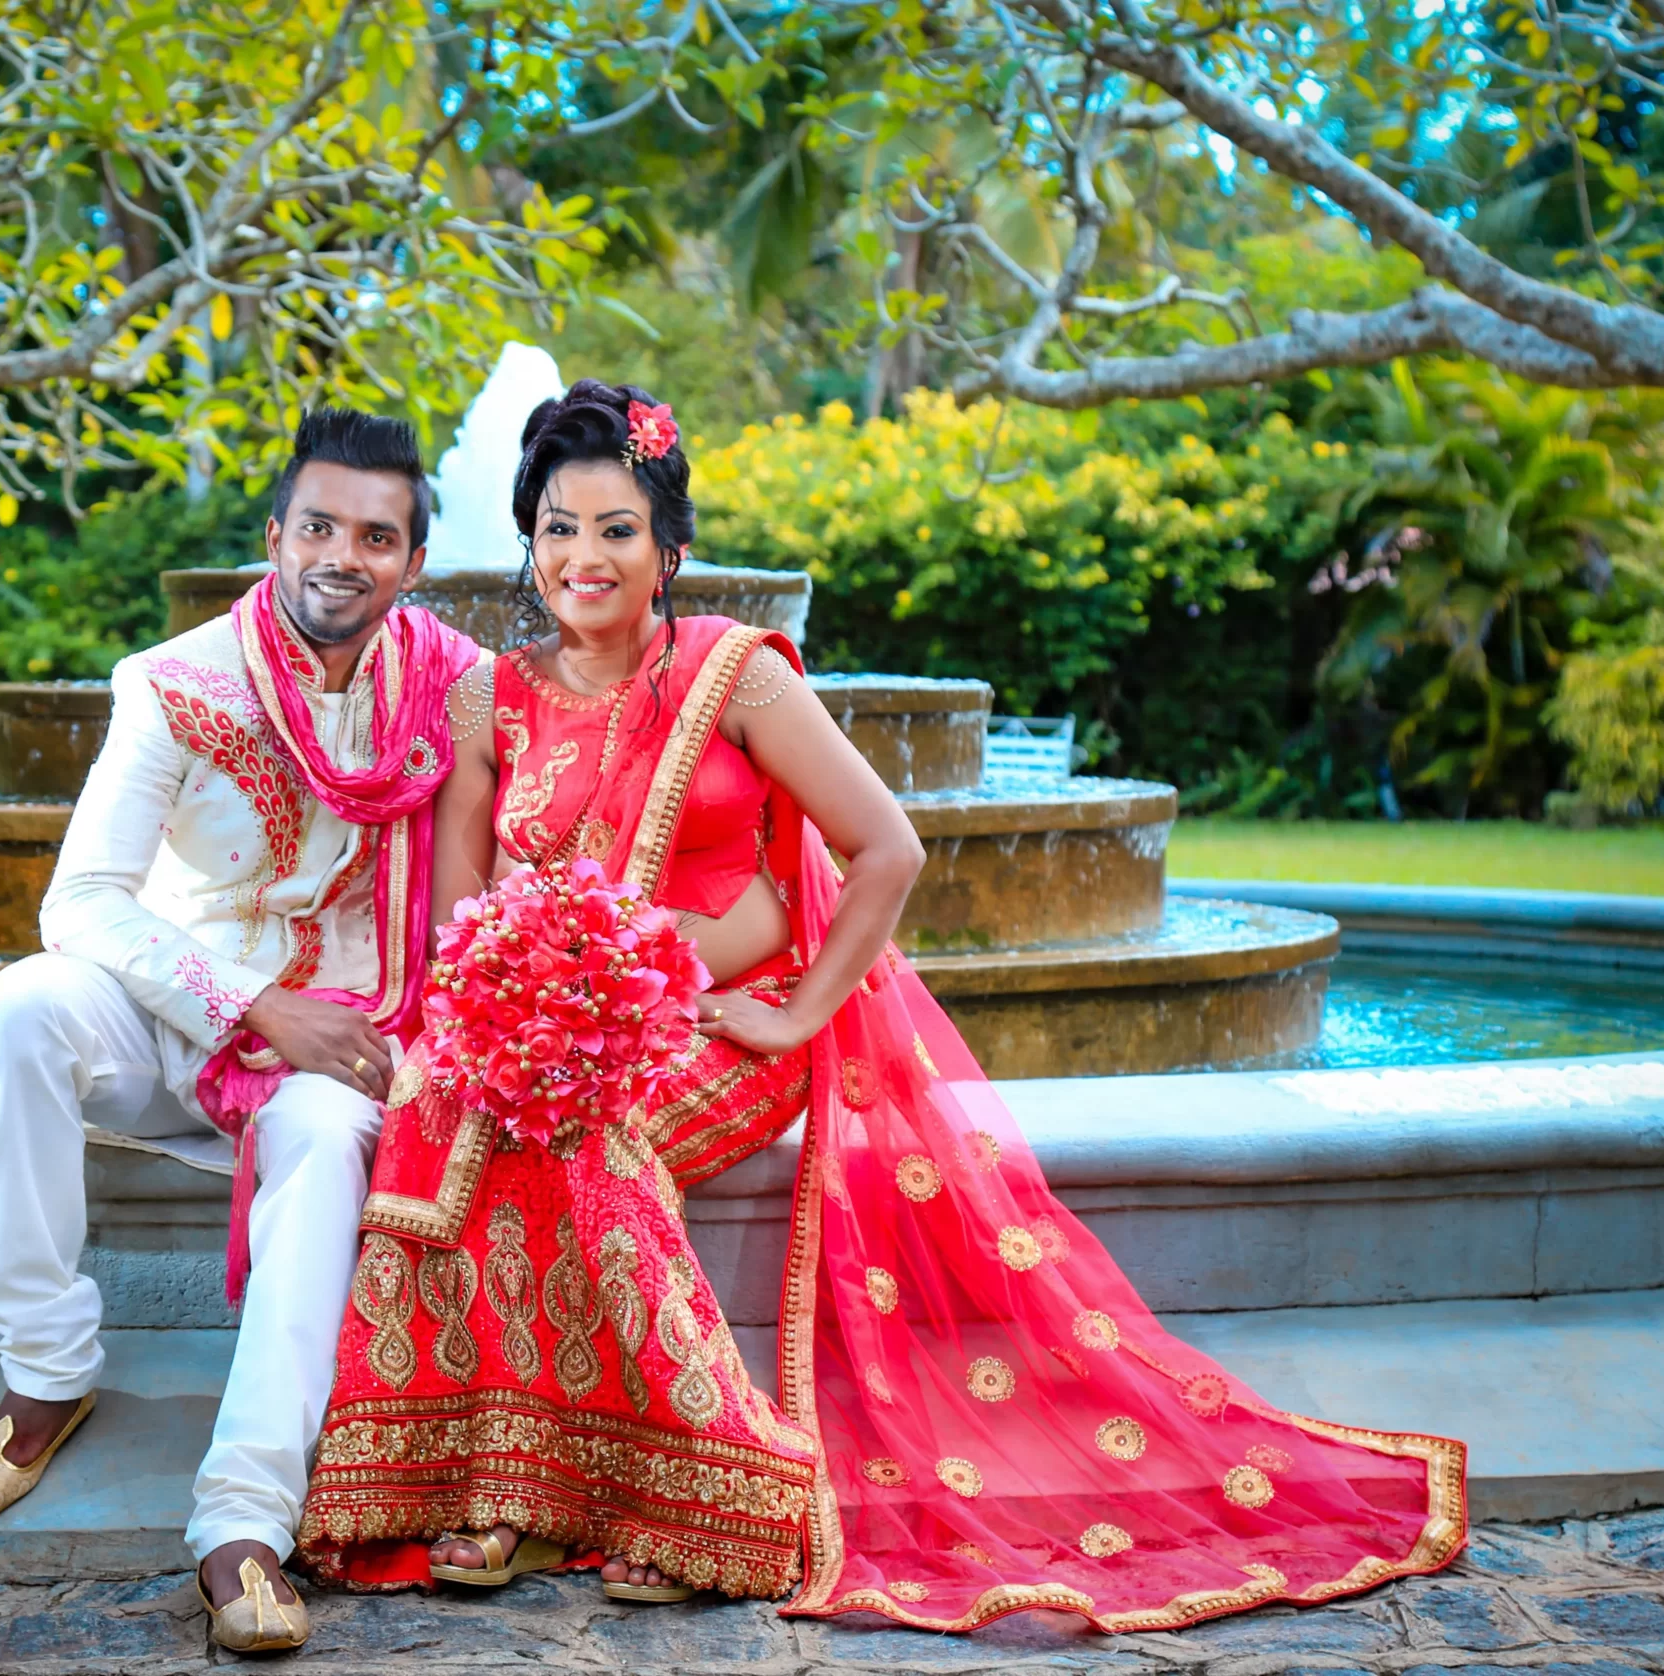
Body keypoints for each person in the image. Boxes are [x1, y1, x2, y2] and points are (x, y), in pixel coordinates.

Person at [294, 381, 1468, 1632]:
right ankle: (508, 1483)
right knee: (454, 1116)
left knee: (592, 1142)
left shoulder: (732, 675)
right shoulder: (490, 697)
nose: (585, 557)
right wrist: (503, 1020)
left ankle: (715, 1492)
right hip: (551, 1022)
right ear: (527, 541)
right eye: (559, 527)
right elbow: (464, 914)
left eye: (617, 528)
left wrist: (793, 1014)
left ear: (669, 547)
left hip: (712, 1023)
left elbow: (887, 849)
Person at [0, 408, 479, 1655]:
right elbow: (78, 900)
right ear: (275, 534)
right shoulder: (176, 682)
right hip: (183, 1015)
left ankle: (242, 1519)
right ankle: (45, 1369)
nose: (344, 554)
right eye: (321, 525)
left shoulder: (454, 686)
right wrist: (247, 1004)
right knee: (20, 1007)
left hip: (339, 1044)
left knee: (333, 1134)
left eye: (377, 536)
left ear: (411, 562)